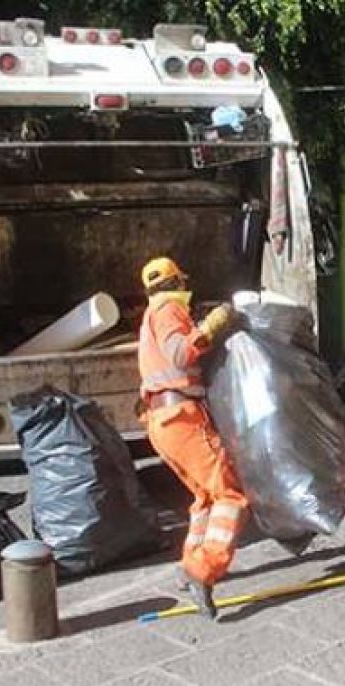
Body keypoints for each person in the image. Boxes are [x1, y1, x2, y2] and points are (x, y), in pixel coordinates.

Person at [137, 256, 248, 619]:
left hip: (162, 421)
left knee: (203, 497)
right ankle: (205, 572)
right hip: (181, 418)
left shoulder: (150, 315)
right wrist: (212, 326)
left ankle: (191, 565)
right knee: (230, 494)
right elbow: (181, 354)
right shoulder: (168, 309)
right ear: (176, 282)